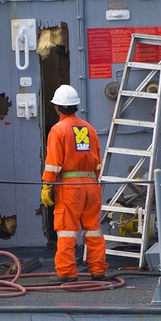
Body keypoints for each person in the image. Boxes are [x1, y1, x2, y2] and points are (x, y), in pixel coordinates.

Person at [41, 84, 108, 282]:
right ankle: (98, 270)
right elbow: (98, 162)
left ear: (56, 107)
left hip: (70, 187)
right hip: (91, 185)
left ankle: (68, 272)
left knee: (67, 230)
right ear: (76, 106)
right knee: (93, 229)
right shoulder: (89, 129)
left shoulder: (58, 130)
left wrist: (47, 185)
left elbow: (53, 163)